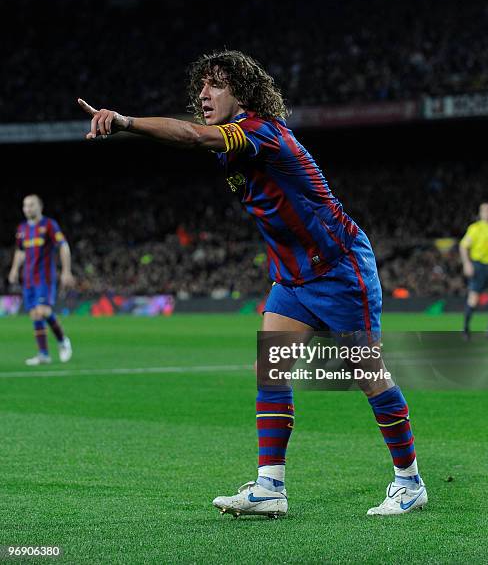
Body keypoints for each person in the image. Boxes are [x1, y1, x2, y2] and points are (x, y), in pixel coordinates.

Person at [78, 49, 427, 517]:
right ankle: (270, 487)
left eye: (215, 85)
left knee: (366, 375)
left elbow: (190, 136)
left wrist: (124, 121)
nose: (203, 94)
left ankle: (409, 481)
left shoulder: (261, 132)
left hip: (340, 268)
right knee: (271, 367)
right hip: (293, 276)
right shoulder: (237, 140)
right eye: (201, 86)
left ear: (241, 93)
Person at [8, 195, 74, 365]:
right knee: (34, 315)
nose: (27, 208)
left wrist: (66, 271)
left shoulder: (49, 225)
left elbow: (63, 246)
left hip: (44, 278)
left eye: (31, 205)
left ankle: (62, 341)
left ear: (40, 207)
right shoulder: (22, 229)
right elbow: (20, 251)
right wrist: (15, 269)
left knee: (42, 311)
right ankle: (44, 354)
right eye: (25, 205)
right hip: (28, 279)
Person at [460, 202, 488, 339]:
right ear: (480, 213)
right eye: (485, 210)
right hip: (478, 266)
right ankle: (465, 329)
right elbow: (463, 246)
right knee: (473, 299)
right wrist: (467, 263)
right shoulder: (475, 228)